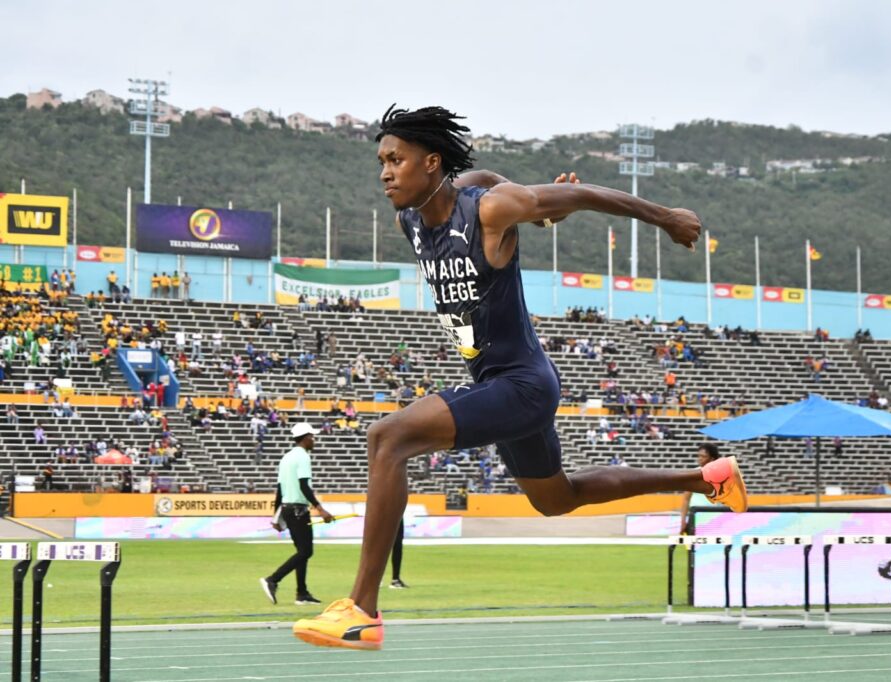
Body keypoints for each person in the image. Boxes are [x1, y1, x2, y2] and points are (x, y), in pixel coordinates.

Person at [292, 104, 746, 650]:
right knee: (556, 500)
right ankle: (706, 480)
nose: (385, 172)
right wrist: (540, 217)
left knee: (386, 439)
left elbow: (577, 195)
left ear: (430, 162)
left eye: (397, 159)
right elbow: (494, 182)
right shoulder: (410, 220)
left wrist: (666, 216)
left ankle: (362, 610)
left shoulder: (487, 211)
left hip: (522, 385)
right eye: (382, 161)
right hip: (499, 388)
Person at [261, 423, 334, 607]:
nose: (314, 440)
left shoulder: (286, 458)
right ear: (305, 437)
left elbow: (279, 490)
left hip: (287, 508)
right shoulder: (303, 457)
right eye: (312, 436)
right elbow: (303, 486)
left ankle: (302, 593)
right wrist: (320, 508)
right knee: (306, 551)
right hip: (298, 509)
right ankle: (273, 579)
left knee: (302, 552)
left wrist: (275, 516)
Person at [677, 444, 721, 534]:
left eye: (703, 456)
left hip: (714, 518)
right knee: (694, 547)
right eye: (699, 456)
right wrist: (683, 520)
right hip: (695, 518)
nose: (700, 458)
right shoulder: (692, 474)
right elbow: (686, 499)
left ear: (712, 459)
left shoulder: (721, 475)